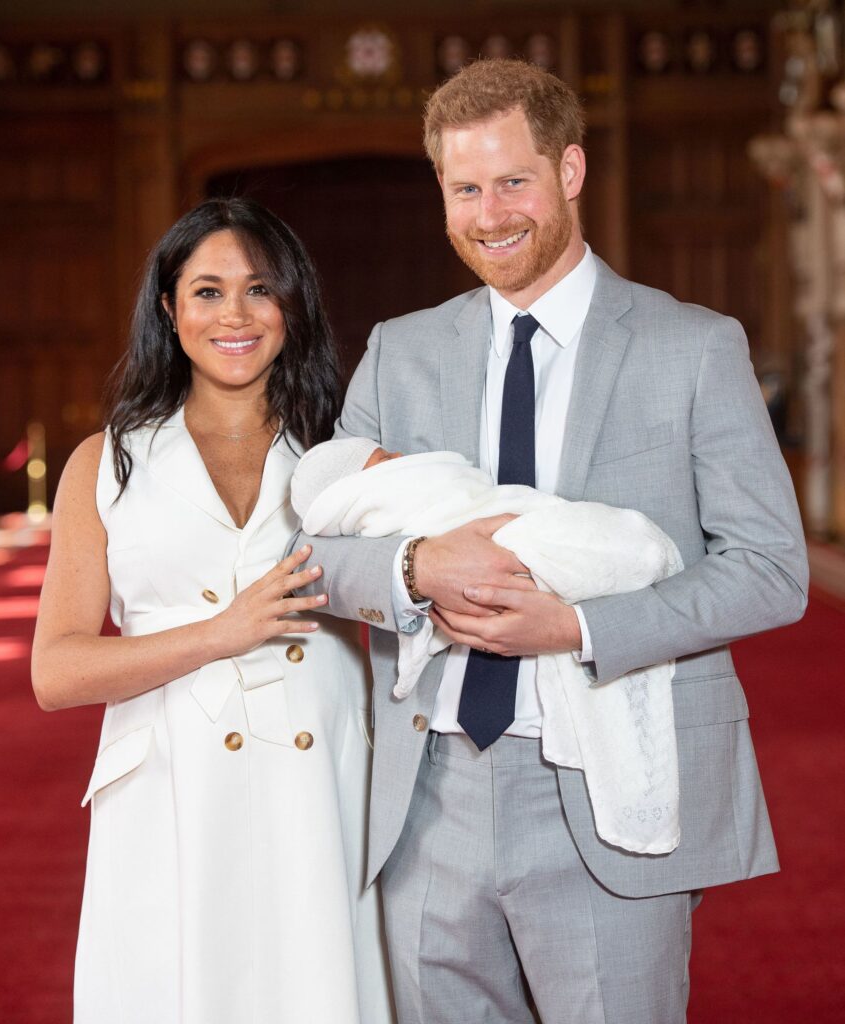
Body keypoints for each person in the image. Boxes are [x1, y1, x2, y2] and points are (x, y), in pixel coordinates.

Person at [300, 59, 809, 1024]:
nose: (489, 214)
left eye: (512, 181)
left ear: (569, 171)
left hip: (604, 783)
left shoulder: (692, 346)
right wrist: (415, 566)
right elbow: (317, 549)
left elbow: (771, 570)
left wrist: (574, 626)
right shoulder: (400, 350)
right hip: (427, 791)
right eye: (462, 189)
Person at [31, 198, 394, 1024]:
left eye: (259, 289)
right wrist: (218, 633)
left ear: (291, 304)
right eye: (207, 291)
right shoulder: (108, 461)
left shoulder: (346, 452)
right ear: (168, 306)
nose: (235, 314)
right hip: (168, 791)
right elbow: (56, 672)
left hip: (323, 783)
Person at [292, 436, 685, 857]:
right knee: (585, 547)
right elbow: (306, 558)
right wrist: (418, 567)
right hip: (430, 772)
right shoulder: (384, 378)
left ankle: (632, 551)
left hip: (568, 756)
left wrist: (578, 627)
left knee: (604, 544)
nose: (402, 459)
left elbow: (761, 562)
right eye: (387, 461)